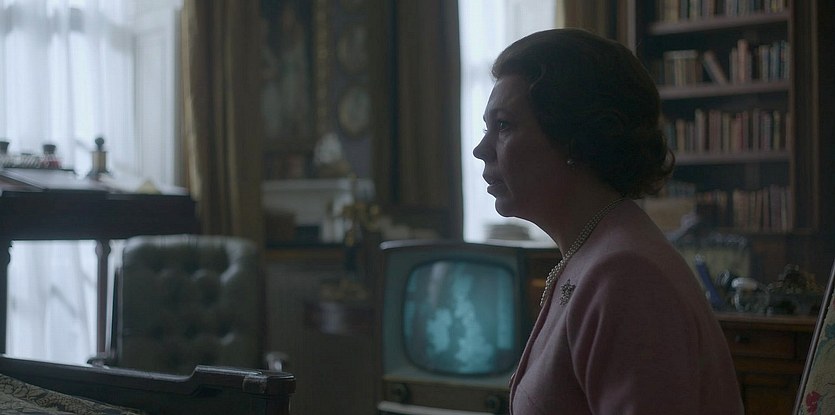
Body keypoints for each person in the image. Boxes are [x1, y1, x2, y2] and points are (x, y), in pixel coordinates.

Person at [473, 28, 743, 414]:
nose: (481, 149)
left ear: (575, 137)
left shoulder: (625, 274)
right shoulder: (595, 252)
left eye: (503, 125)